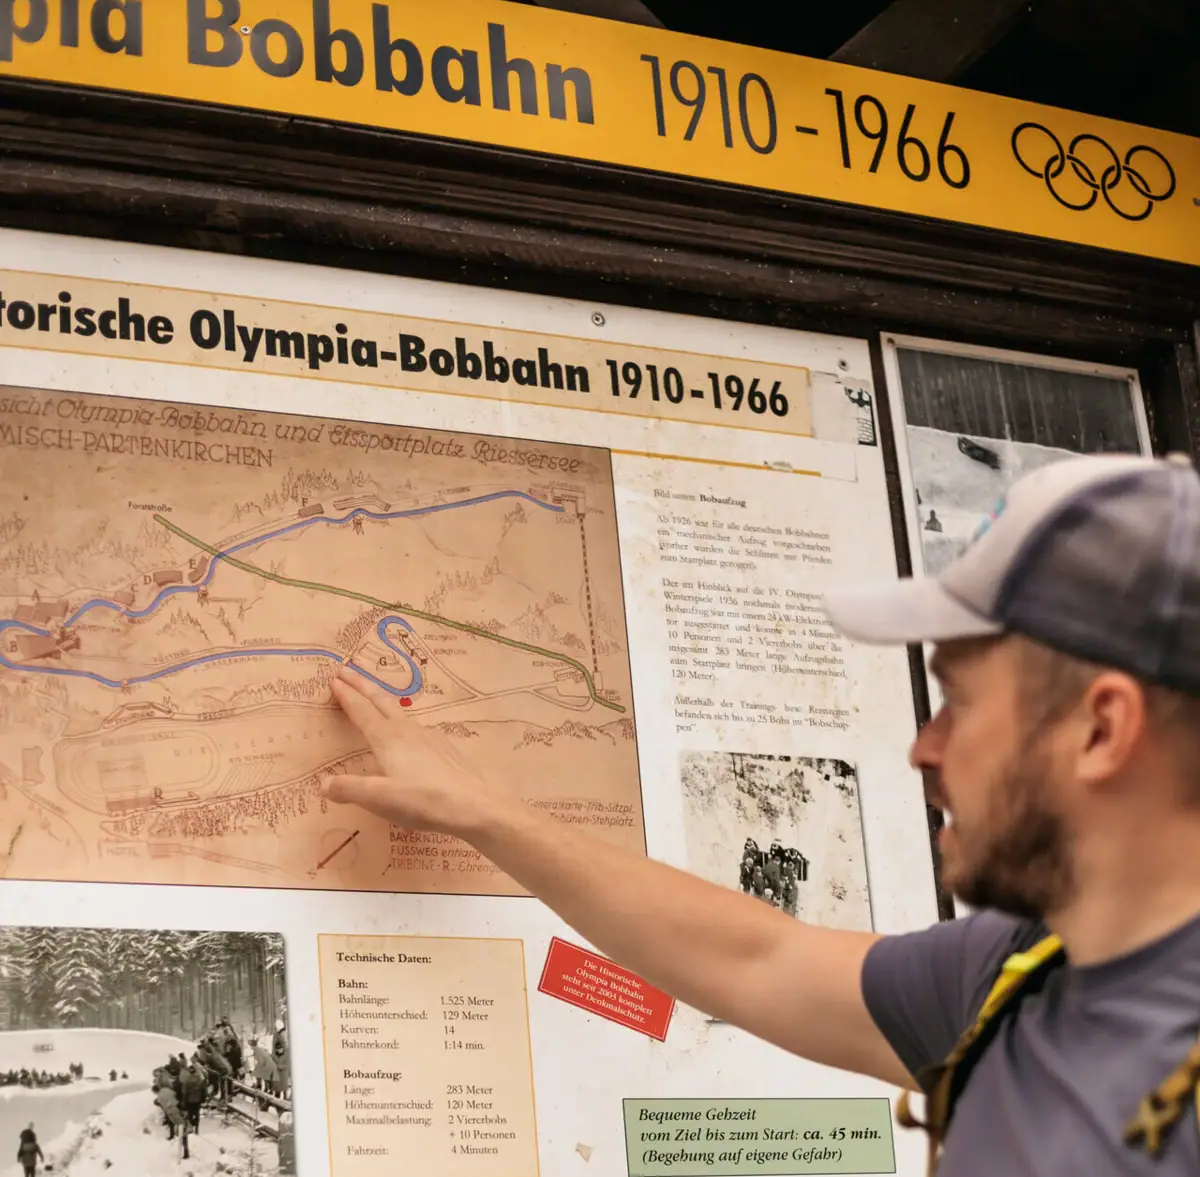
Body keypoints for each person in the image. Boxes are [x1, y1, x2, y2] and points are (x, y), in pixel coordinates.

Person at [319, 452, 1200, 1175]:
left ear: (1101, 728)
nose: (924, 750)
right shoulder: (1023, 972)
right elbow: (756, 956)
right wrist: (483, 812)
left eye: (960, 703)